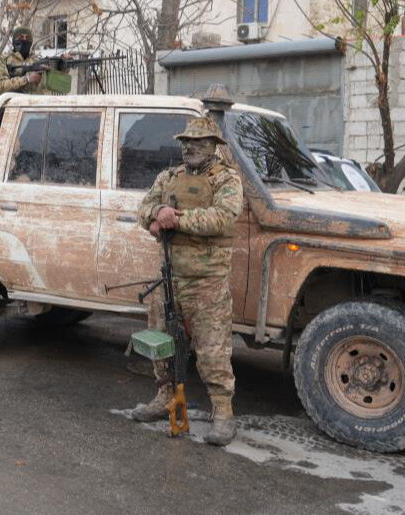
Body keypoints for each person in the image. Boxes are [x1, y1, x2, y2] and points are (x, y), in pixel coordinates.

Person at [132, 116, 244, 446]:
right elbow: (144, 207)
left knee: (213, 351)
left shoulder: (226, 180)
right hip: (169, 278)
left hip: (207, 281)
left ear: (213, 147)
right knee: (161, 343)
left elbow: (222, 218)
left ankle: (223, 413)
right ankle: (165, 397)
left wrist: (174, 219)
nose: (190, 148)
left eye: (199, 142)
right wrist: (154, 217)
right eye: (186, 142)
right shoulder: (169, 177)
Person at [0, 27, 52, 96]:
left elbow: (60, 84)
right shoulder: (2, 60)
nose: (24, 40)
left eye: (27, 38)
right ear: (14, 42)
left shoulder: (38, 60)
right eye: (21, 37)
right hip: (12, 105)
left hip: (35, 105)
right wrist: (27, 79)